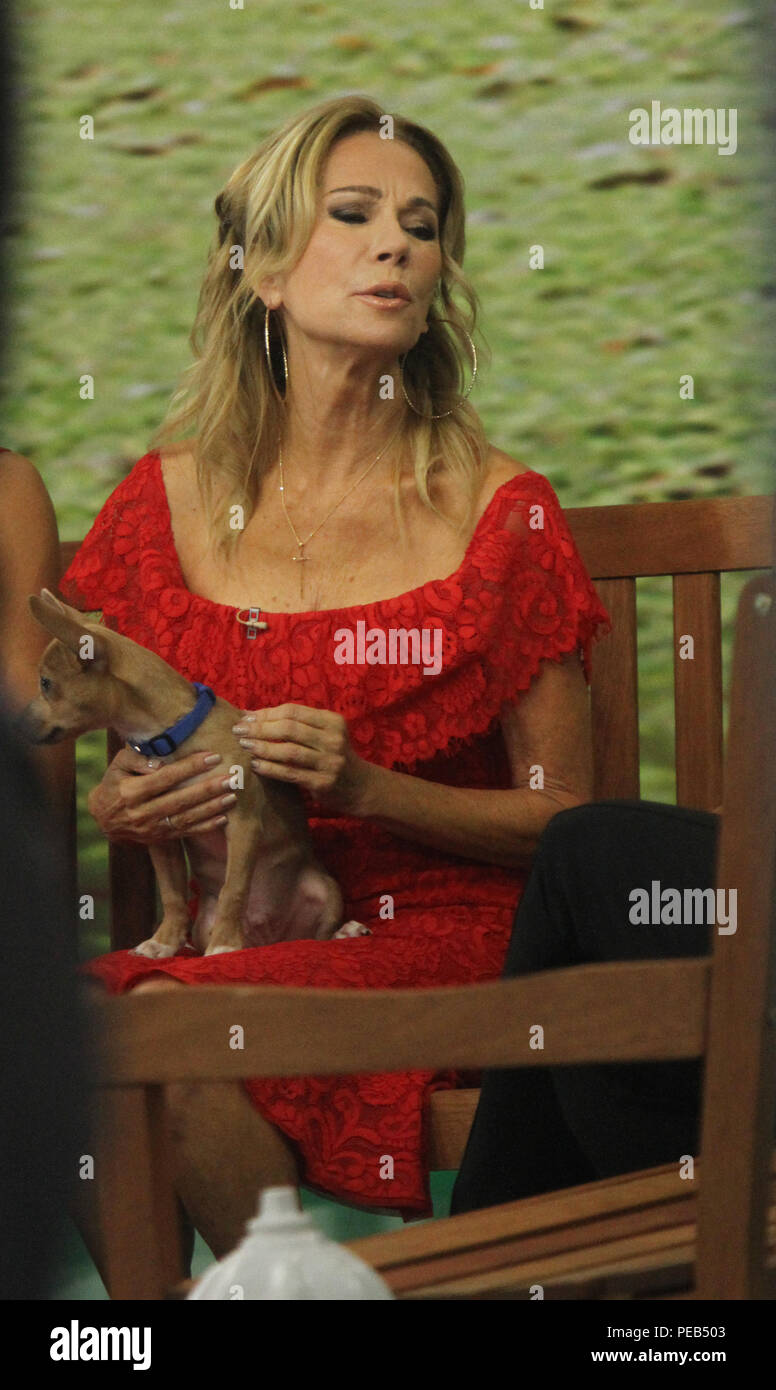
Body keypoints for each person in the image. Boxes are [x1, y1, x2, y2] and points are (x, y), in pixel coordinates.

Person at [58, 94, 610, 1258]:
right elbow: (127, 751)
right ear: (260, 269)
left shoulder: (499, 512)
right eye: (351, 214)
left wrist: (368, 789)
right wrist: (117, 803)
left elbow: (572, 826)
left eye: (420, 223)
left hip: (456, 931)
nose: (395, 243)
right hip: (242, 929)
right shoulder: (159, 505)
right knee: (69, 1025)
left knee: (162, 1028)